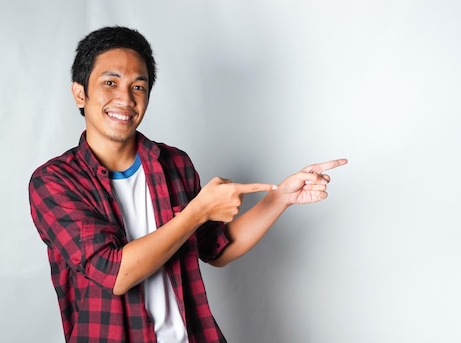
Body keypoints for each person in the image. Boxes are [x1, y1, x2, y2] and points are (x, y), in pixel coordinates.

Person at [28, 26, 347, 343]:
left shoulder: (174, 164)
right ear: (80, 92)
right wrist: (197, 211)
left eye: (138, 87)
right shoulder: (54, 182)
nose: (125, 99)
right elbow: (114, 273)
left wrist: (280, 198)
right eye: (110, 83)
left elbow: (217, 248)